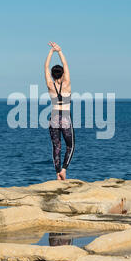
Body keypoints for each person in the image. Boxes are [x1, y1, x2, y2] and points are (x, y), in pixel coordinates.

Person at [45, 42, 75, 180]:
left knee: (56, 146)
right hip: (66, 119)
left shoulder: (50, 85)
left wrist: (51, 52)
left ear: (52, 75)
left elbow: (45, 67)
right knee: (71, 145)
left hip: (54, 118)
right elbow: (67, 66)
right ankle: (64, 169)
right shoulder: (67, 84)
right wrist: (59, 51)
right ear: (62, 74)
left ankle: (57, 173)